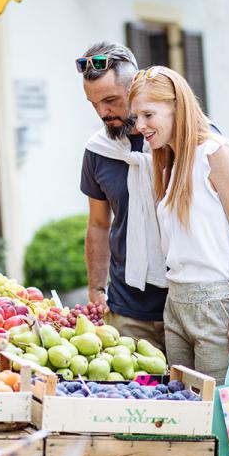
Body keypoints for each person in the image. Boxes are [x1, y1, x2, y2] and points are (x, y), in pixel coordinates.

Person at [128, 65, 229, 384]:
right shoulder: (168, 162)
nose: (140, 126)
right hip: (176, 304)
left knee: (219, 414)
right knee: (187, 414)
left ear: (177, 106)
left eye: (148, 114)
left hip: (216, 303)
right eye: (136, 117)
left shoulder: (215, 154)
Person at [78, 41, 169, 351]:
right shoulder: (97, 152)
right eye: (93, 104)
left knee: (189, 391)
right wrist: (96, 290)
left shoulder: (176, 141)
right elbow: (99, 224)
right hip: (127, 313)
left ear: (135, 89)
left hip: (185, 307)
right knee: (143, 390)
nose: (103, 112)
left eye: (111, 100)